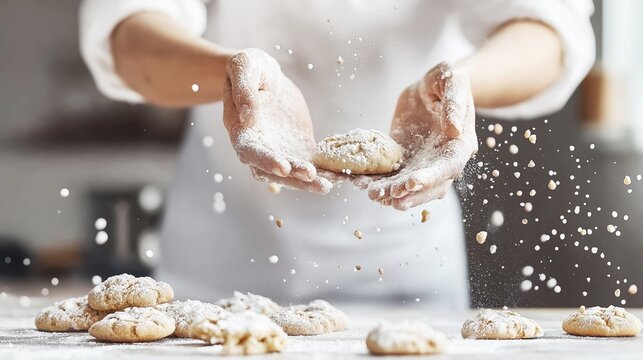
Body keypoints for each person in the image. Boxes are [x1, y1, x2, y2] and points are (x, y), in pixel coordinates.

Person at [79, 0, 595, 308]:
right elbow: (127, 33)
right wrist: (232, 74)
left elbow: (551, 29)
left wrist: (460, 87)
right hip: (219, 270)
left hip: (407, 272)